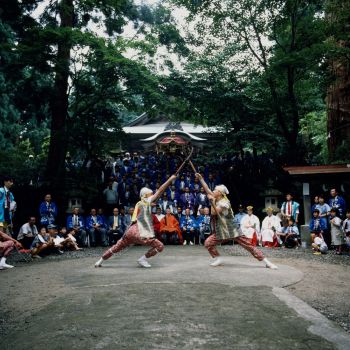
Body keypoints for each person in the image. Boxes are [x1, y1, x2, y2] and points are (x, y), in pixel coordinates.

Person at [195, 173, 277, 269]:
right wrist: (201, 179)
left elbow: (213, 212)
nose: (213, 191)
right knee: (208, 243)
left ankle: (266, 262)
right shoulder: (216, 197)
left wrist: (212, 201)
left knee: (248, 246)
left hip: (232, 229)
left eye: (215, 190)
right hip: (221, 230)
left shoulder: (225, 202)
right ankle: (218, 258)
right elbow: (207, 190)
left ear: (220, 193)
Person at [95, 174, 177, 268]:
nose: (153, 196)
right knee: (160, 246)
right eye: (151, 195)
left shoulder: (139, 203)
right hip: (139, 231)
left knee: (116, 248)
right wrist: (170, 180)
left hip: (129, 231)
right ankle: (142, 259)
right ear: (145, 195)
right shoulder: (146, 201)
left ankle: (100, 260)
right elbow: (160, 190)